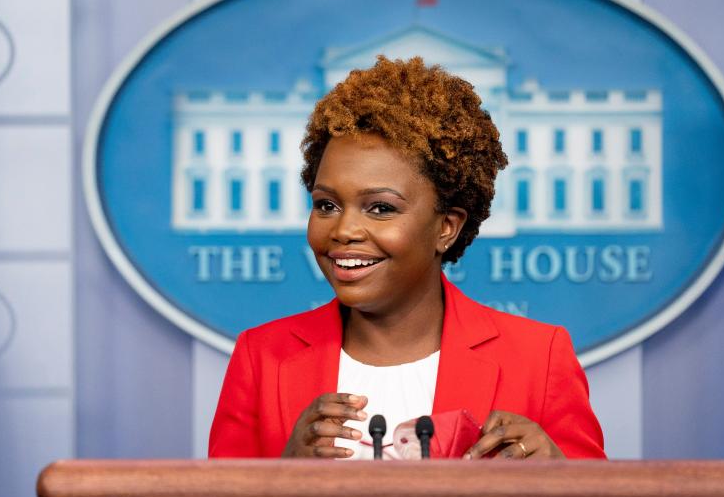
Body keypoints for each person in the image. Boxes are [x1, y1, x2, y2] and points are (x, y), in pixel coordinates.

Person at [209, 56, 605, 460]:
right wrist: (284, 474)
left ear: (446, 227)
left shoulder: (539, 356)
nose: (343, 230)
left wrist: (558, 473)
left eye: (380, 208)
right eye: (326, 205)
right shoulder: (260, 356)